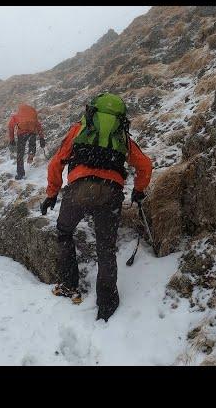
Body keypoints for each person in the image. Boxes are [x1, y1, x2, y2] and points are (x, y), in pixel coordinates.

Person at [40, 92, 152, 322]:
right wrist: (139, 190)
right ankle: (107, 303)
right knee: (106, 246)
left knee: (64, 232)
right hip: (111, 192)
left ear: (90, 111)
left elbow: (56, 163)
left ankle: (69, 285)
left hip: (79, 189)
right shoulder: (121, 136)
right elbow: (145, 165)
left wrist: (52, 194)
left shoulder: (79, 130)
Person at [8, 103, 45, 180]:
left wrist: (12, 139)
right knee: (32, 145)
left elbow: (10, 126)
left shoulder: (17, 116)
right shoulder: (32, 116)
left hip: (21, 133)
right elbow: (38, 126)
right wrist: (41, 138)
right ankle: (31, 155)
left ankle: (20, 173)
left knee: (20, 153)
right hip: (32, 132)